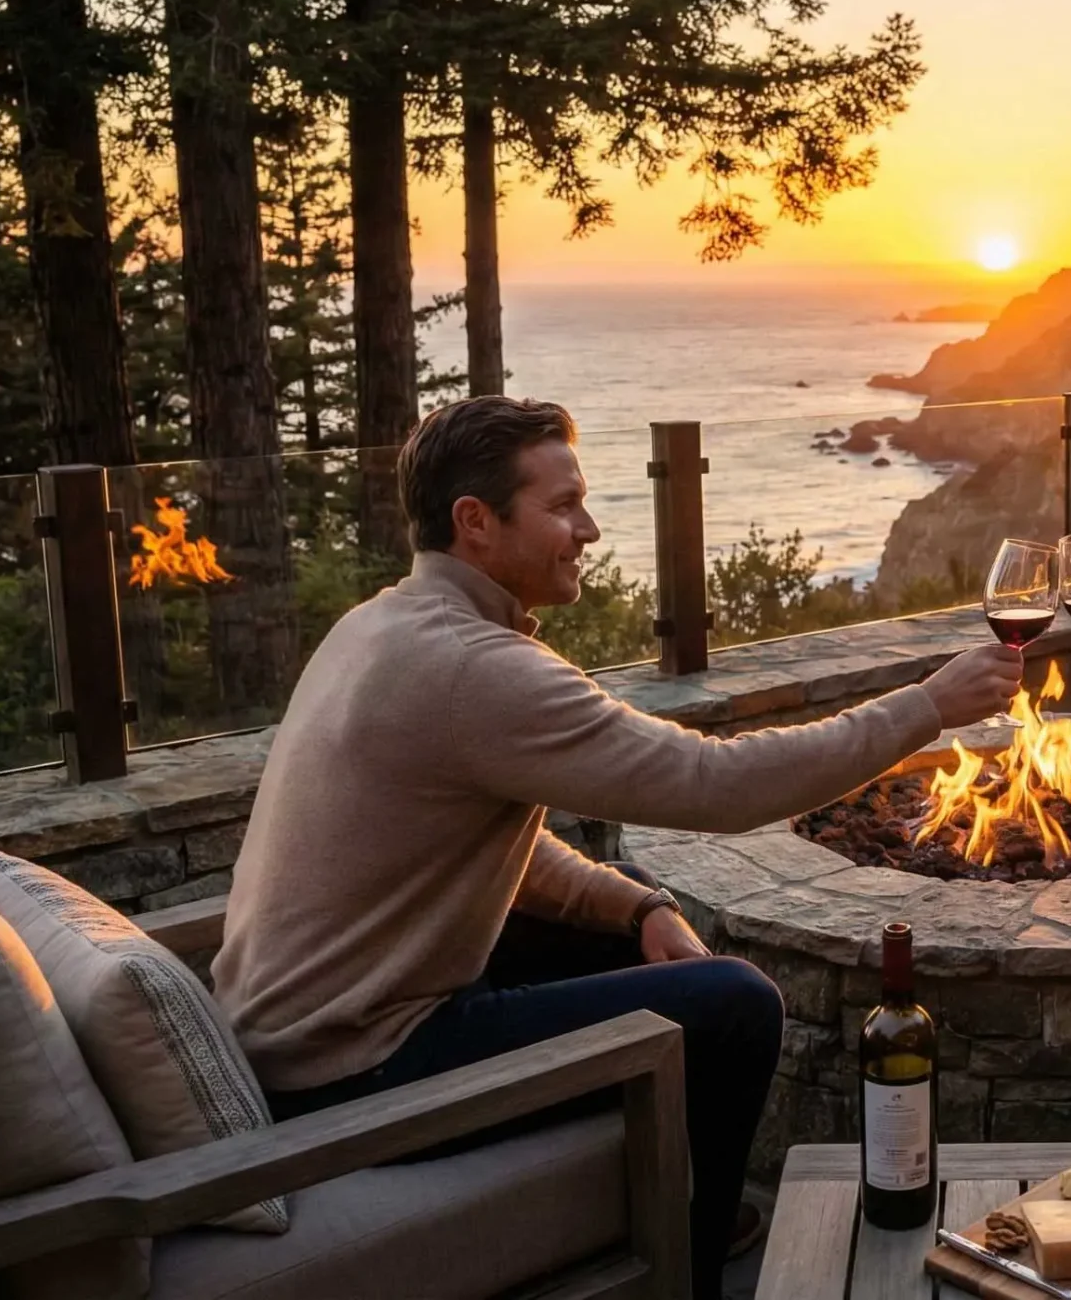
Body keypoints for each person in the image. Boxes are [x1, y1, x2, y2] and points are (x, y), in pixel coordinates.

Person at [214, 396, 1022, 1299]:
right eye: (562, 507)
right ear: (475, 523)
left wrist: (639, 906)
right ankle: (694, 1268)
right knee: (734, 1004)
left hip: (312, 1016)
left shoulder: (382, 626)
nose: (589, 530)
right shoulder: (477, 669)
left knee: (627, 895)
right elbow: (720, 787)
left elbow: (480, 845)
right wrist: (927, 706)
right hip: (353, 1062)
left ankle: (670, 1200)